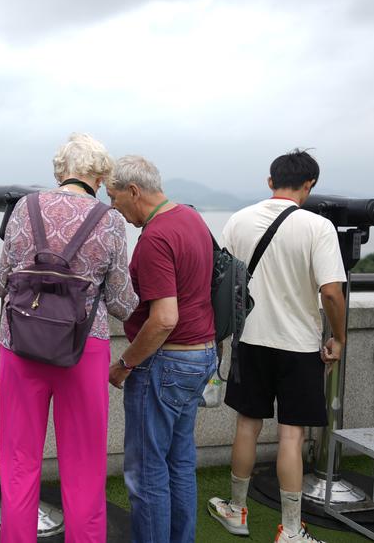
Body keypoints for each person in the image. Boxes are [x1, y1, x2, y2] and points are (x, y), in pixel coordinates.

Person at [0, 133, 139, 543]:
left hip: (21, 341)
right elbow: (121, 302)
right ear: (100, 176)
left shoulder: (24, 208)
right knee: (84, 466)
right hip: (82, 347)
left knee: (19, 462)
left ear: (61, 171)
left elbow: (3, 281)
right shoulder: (110, 220)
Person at [206, 150, 347, 543]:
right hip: (299, 345)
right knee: (291, 435)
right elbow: (331, 293)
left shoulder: (238, 220)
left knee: (247, 426)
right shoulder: (318, 227)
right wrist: (339, 337)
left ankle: (236, 510)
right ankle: (290, 528)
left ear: (270, 181)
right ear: (310, 185)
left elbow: (221, 280)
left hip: (250, 340)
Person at [105, 155, 216, 543]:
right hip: (201, 354)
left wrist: (125, 363)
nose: (113, 207)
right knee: (179, 462)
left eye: (114, 197)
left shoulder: (155, 238)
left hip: (166, 362)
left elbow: (165, 318)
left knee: (146, 470)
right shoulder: (191, 218)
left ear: (134, 191)